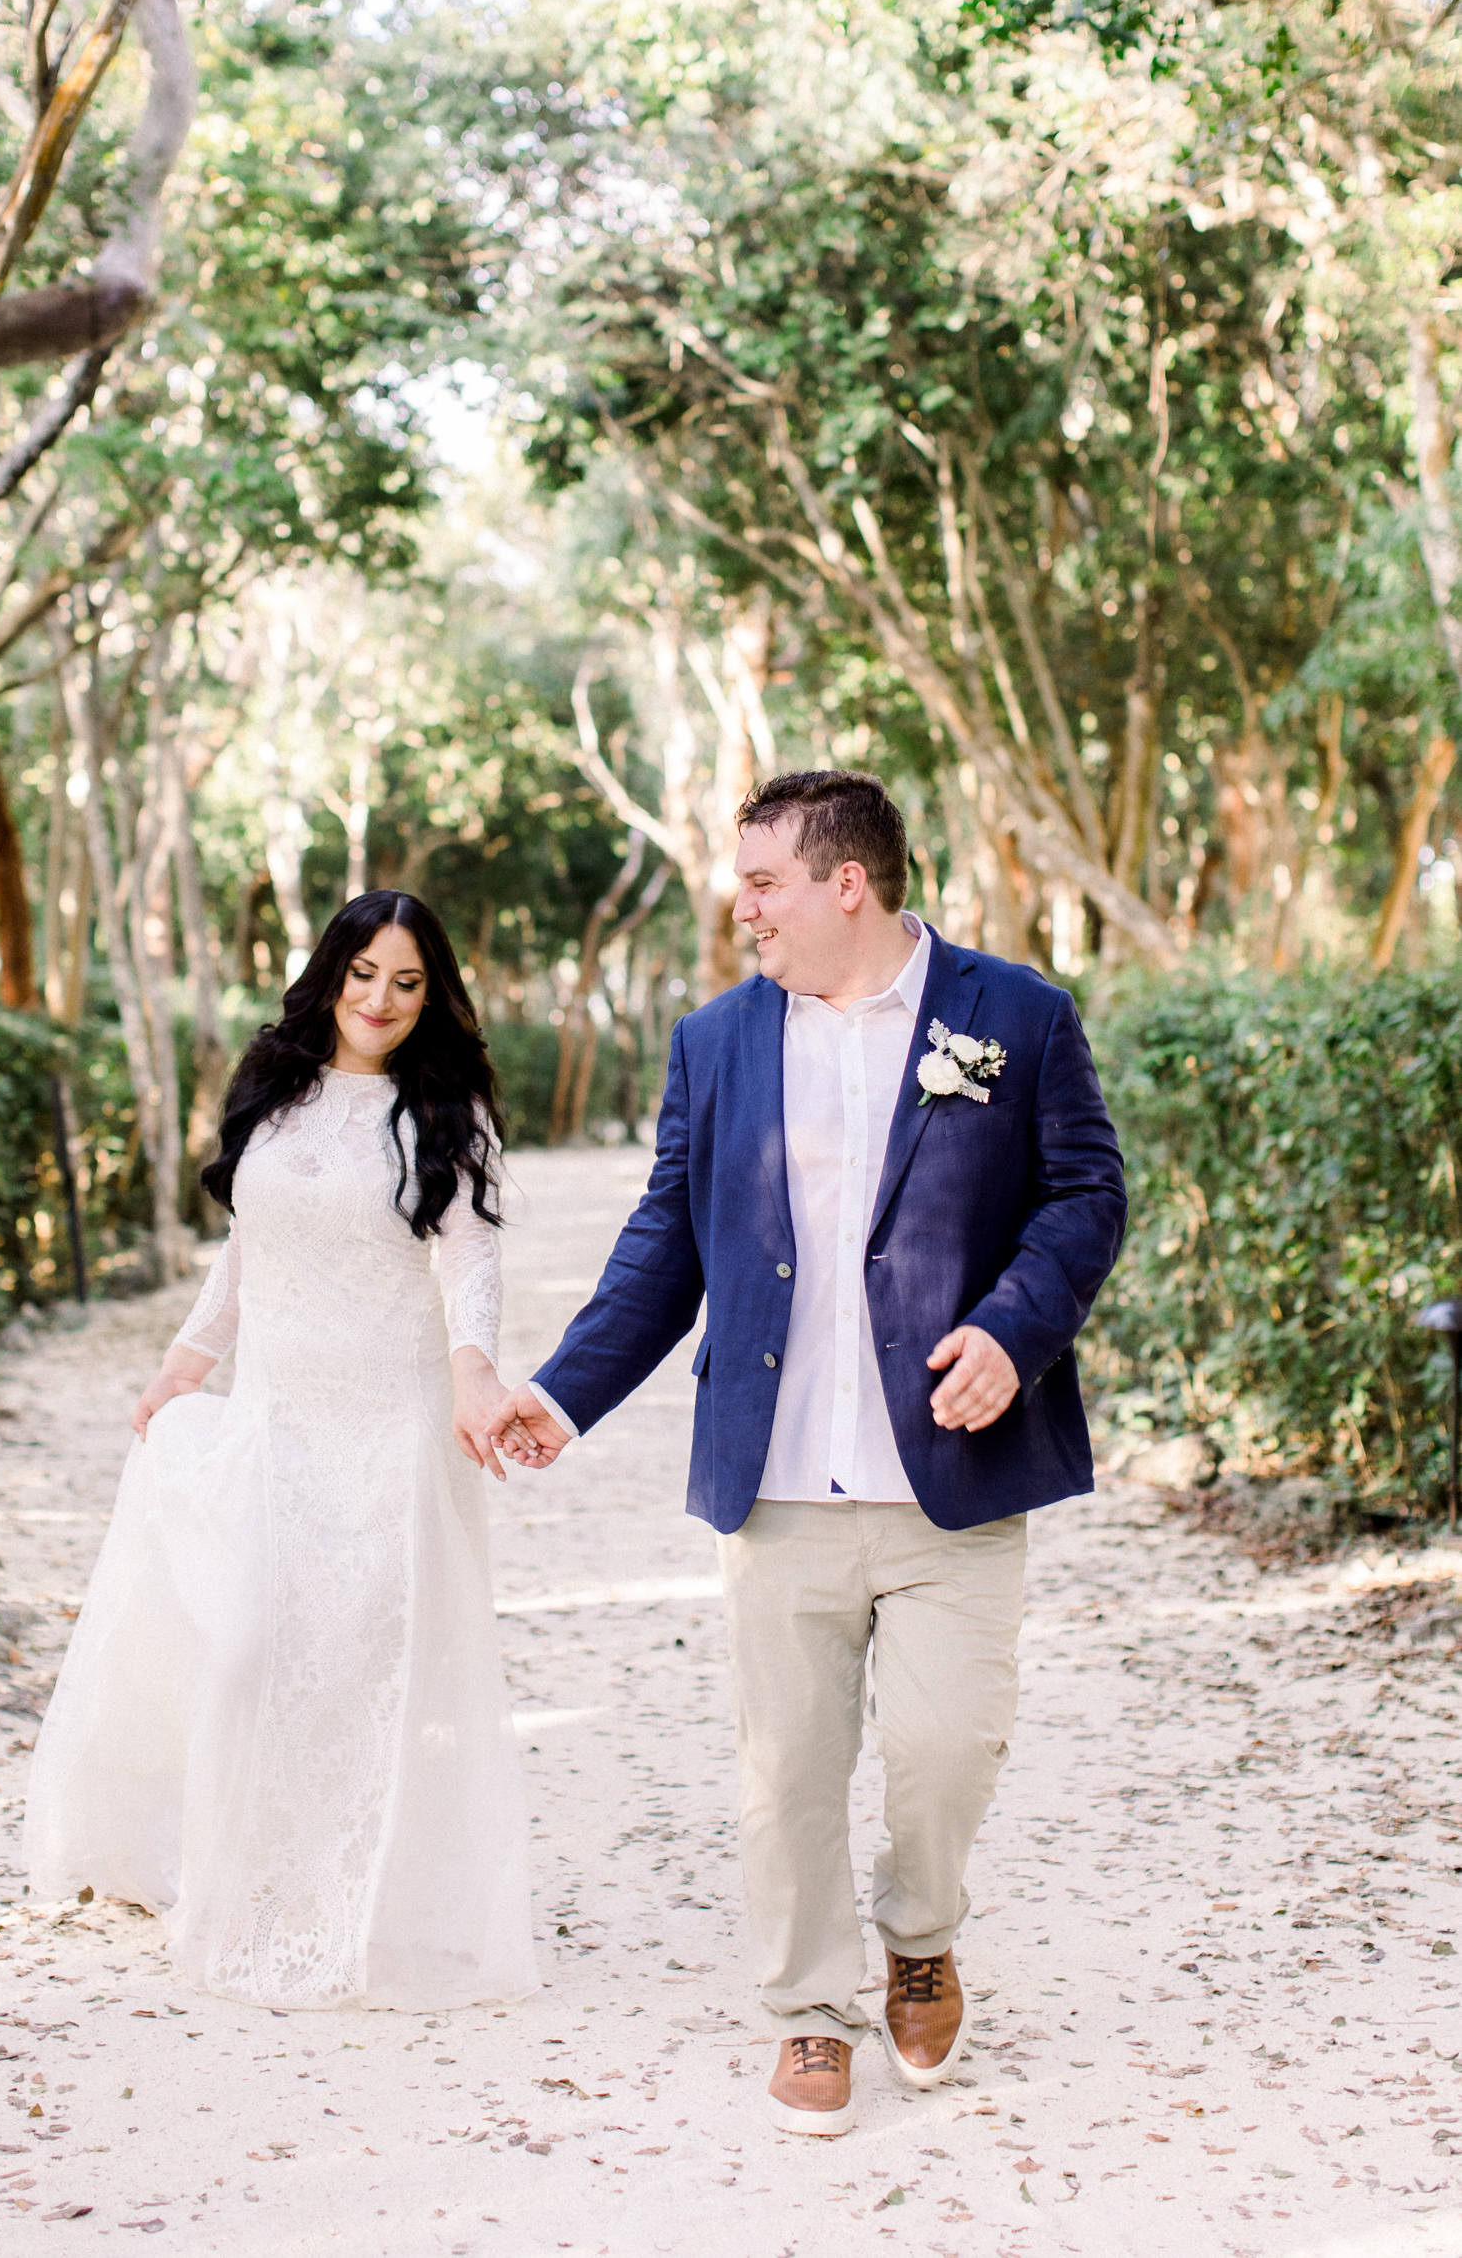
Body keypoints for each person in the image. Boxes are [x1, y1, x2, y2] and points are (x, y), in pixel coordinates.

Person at [480, 771, 1126, 2135]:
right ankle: (807, 2010)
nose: (741, 904)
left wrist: (1014, 1329)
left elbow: (1083, 1193)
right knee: (785, 1767)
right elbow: (667, 1243)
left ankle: (920, 1932)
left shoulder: (1014, 1017)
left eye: (762, 880)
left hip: (953, 1472)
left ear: (848, 885)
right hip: (775, 1476)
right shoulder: (714, 1042)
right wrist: (563, 1391)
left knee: (946, 1751)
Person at [25, 892, 537, 2013]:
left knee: (364, 1668)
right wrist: (182, 1365)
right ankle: (242, 1873)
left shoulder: (444, 1113)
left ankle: (359, 1899)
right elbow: (245, 1253)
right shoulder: (275, 1089)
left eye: (406, 983)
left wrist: (472, 1373)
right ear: (331, 971)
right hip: (276, 1417)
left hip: (392, 1426)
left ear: (431, 992)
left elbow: (470, 1262)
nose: (381, 1001)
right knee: (252, 1646)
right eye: (363, 974)